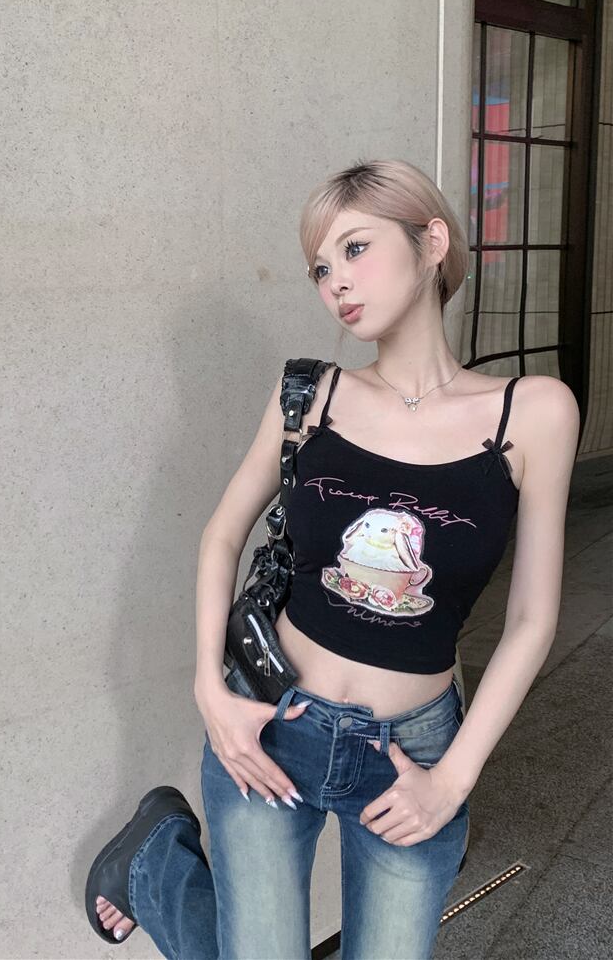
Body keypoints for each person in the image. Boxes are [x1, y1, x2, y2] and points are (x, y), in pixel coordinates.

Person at [86, 158, 580, 959]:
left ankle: (150, 869)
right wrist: (209, 690)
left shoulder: (533, 412)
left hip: (414, 751)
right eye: (320, 267)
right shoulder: (311, 395)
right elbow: (221, 535)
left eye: (355, 249)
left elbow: (530, 619)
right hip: (273, 721)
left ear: (432, 243)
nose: (335, 283)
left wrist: (453, 780)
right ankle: (154, 864)